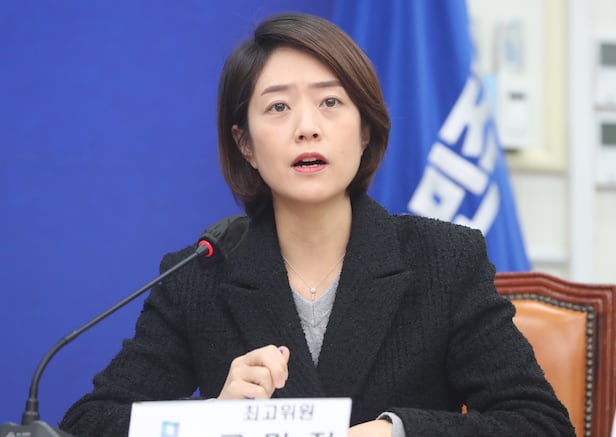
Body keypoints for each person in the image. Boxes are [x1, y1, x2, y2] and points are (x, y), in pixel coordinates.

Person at [60, 12, 575, 436]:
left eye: (330, 102)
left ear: (366, 130)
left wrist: (398, 432)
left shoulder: (443, 261)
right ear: (245, 144)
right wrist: (212, 420)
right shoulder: (199, 276)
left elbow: (539, 423)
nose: (307, 127)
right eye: (278, 107)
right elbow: (88, 423)